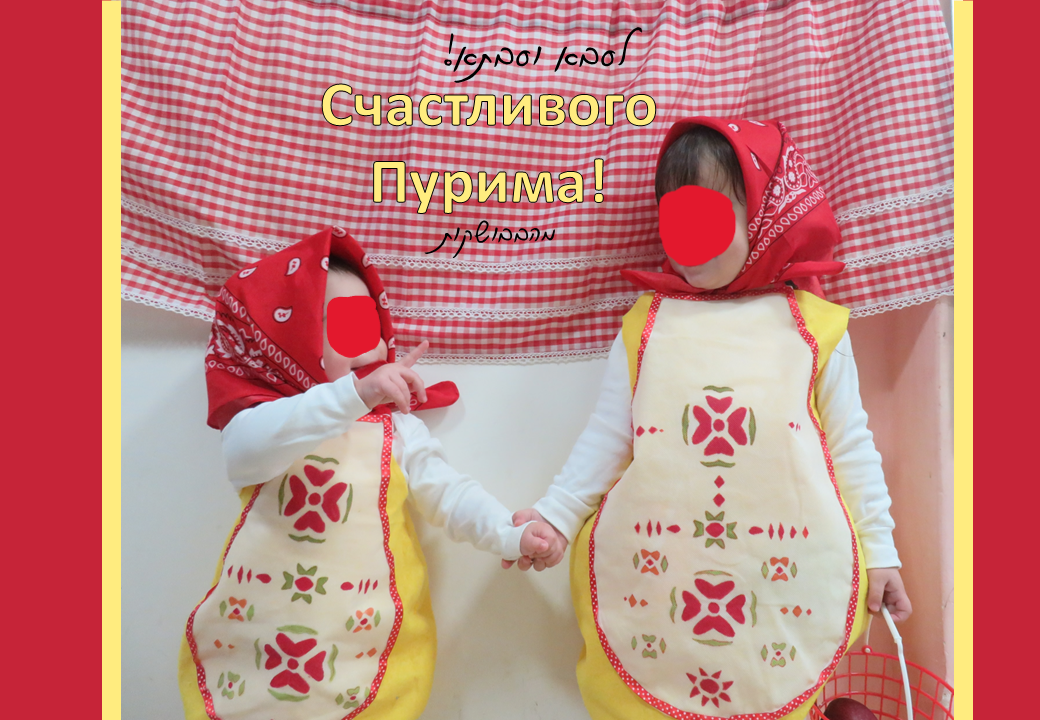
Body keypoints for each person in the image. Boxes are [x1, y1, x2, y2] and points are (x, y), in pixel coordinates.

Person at [504, 118, 912, 720]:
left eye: (708, 218)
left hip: (779, 569)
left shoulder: (814, 328)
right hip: (657, 566)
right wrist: (556, 515)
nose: (687, 239)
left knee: (769, 688)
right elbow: (609, 437)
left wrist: (880, 550)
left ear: (766, 216)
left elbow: (851, 444)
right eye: (675, 219)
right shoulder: (647, 325)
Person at [178, 226, 558, 720]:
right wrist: (352, 395)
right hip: (259, 637)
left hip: (364, 635)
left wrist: (509, 533)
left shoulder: (397, 430)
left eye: (369, 323)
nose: (365, 345)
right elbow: (246, 453)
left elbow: (449, 494)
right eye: (340, 325)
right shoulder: (266, 422)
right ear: (288, 338)